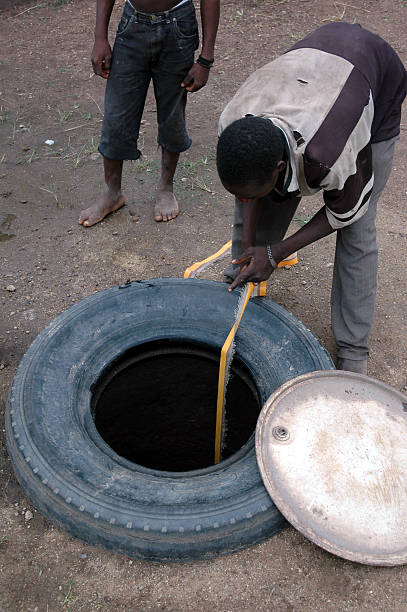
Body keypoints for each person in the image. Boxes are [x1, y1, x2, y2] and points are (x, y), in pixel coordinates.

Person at [216, 22, 407, 375]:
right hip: (311, 66)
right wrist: (247, 247)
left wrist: (275, 253)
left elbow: (342, 213)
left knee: (359, 227)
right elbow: (250, 193)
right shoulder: (234, 124)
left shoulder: (330, 153)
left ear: (279, 165)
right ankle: (244, 278)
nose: (242, 200)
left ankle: (353, 350)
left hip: (373, 80)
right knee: (265, 196)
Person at [79, 0, 220, 226]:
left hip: (178, 28)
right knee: (117, 113)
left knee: (172, 114)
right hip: (132, 24)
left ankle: (166, 188)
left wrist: (206, 59)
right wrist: (100, 37)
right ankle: (112, 193)